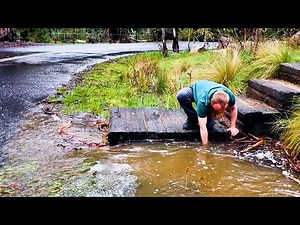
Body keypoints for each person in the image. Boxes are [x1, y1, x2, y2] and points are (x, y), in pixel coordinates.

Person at [177, 79, 239, 145]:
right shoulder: (203, 102)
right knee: (182, 95)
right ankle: (193, 118)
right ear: (211, 102)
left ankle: (209, 118)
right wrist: (205, 147)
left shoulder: (229, 96)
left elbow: (234, 108)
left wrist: (233, 127)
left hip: (209, 91)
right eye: (216, 109)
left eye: (219, 110)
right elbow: (202, 127)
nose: (218, 111)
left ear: (227, 103)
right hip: (196, 88)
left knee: (209, 126)